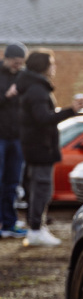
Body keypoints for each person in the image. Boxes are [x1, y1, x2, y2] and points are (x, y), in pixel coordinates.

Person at [17, 49, 83, 247]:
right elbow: (43, 119)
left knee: (37, 188)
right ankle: (36, 230)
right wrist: (71, 110)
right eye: (52, 63)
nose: (54, 67)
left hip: (36, 146)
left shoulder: (34, 87)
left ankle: (37, 227)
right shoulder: (37, 90)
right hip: (40, 148)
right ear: (43, 66)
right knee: (42, 188)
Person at [0, 43, 27, 239]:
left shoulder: (23, 76)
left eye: (21, 63)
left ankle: (9, 224)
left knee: (12, 183)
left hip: (16, 138)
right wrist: (6, 96)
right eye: (16, 63)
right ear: (6, 58)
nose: (18, 66)